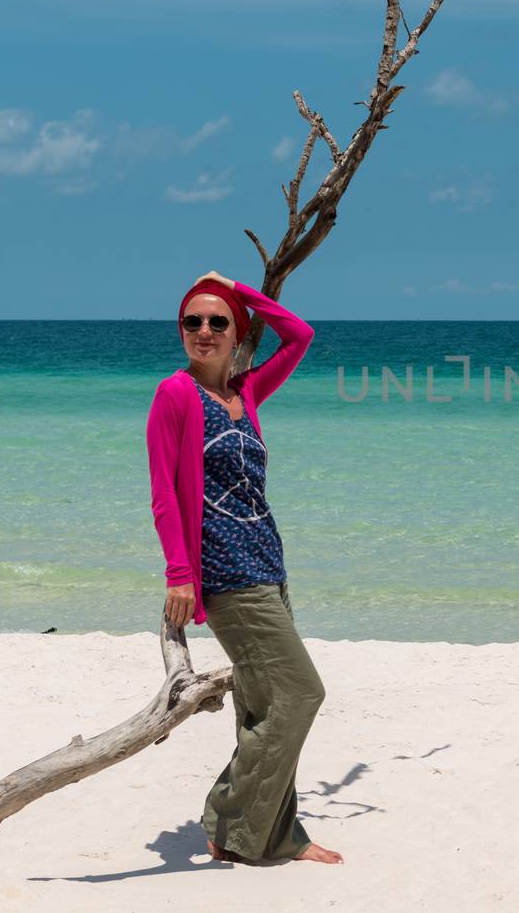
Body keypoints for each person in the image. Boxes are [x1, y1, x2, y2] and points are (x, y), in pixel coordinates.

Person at [144, 269, 342, 866]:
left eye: (217, 321)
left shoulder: (246, 392)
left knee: (261, 705)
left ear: (237, 335)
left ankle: (264, 837)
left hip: (269, 565)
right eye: (192, 321)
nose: (203, 330)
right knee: (302, 693)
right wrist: (180, 574)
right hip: (227, 575)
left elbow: (300, 335)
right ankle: (228, 814)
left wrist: (237, 287)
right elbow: (162, 495)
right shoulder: (173, 394)